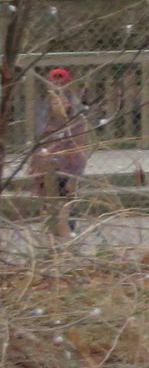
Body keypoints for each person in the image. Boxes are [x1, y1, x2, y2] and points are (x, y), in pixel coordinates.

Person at [29, 67, 89, 239]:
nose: (58, 98)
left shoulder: (77, 118)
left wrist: (73, 177)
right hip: (48, 167)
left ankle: (66, 235)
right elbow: (39, 145)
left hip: (68, 167)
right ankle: (54, 235)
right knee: (48, 204)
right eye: (54, 86)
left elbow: (79, 150)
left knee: (65, 204)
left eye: (62, 86)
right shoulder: (43, 114)